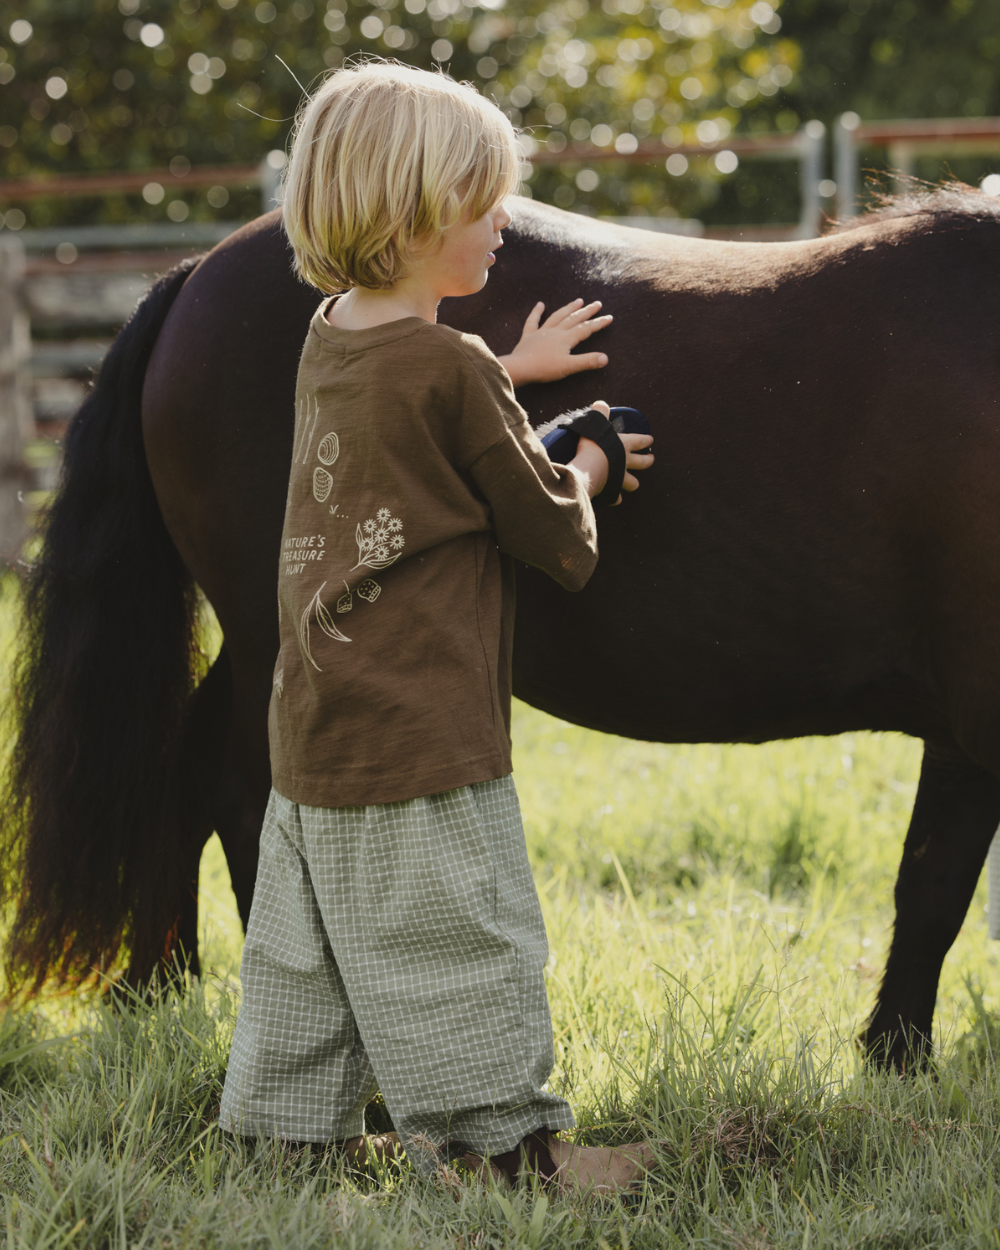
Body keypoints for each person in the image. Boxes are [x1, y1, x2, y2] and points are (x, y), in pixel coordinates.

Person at [219, 59, 655, 1194]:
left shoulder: (332, 336)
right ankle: (507, 1151)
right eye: (483, 199)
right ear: (414, 218)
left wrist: (505, 372)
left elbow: (391, 423)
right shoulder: (452, 365)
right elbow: (550, 528)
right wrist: (597, 450)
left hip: (315, 722)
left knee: (303, 954)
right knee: (464, 938)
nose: (504, 220)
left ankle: (288, 1137)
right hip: (423, 725)